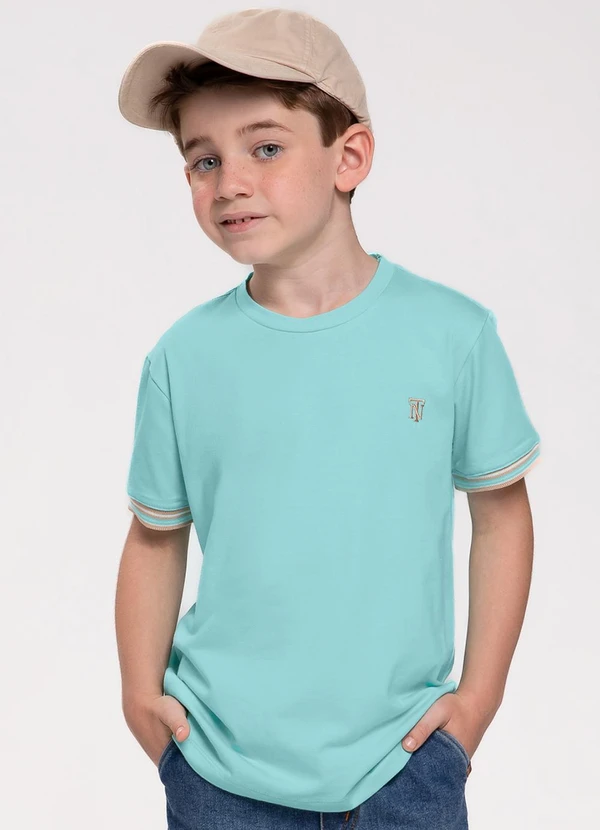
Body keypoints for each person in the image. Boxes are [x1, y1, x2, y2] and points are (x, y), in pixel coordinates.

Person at [115, 8, 542, 829]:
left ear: (349, 156)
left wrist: (478, 701)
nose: (229, 182)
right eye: (204, 159)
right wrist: (141, 697)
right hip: (218, 766)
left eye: (265, 148)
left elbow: (501, 515)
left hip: (404, 765)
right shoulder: (183, 358)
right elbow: (155, 536)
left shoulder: (451, 334)